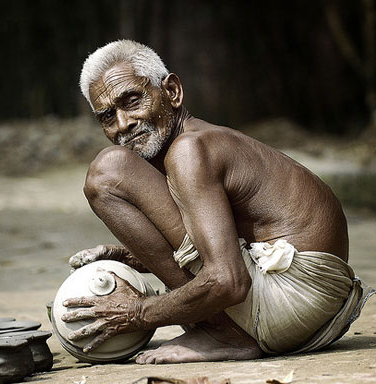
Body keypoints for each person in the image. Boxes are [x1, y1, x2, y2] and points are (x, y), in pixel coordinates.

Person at [63, 40, 374, 364]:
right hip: (318, 308)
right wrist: (136, 257)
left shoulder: (189, 151)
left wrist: (139, 313)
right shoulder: (199, 144)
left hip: (292, 298)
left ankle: (225, 333)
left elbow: (228, 281)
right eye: (108, 116)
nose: (124, 123)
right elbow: (231, 240)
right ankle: (225, 328)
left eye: (132, 100)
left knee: (109, 171)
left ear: (172, 91)